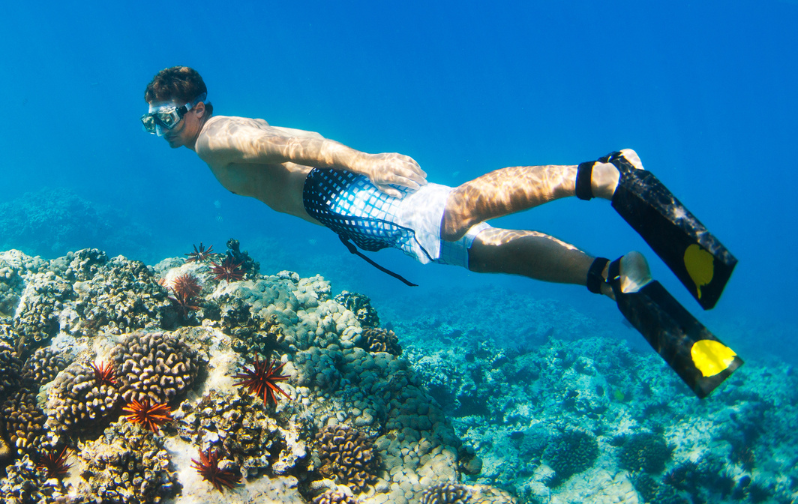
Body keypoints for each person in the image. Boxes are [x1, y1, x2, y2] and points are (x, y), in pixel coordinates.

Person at [140, 66, 742, 397]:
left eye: (166, 117)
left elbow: (291, 143)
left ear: (196, 108)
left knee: (456, 213)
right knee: (481, 251)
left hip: (344, 194)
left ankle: (604, 175)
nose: (161, 130)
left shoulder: (215, 137)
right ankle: (610, 277)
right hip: (345, 210)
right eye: (150, 122)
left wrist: (364, 164)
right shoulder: (211, 141)